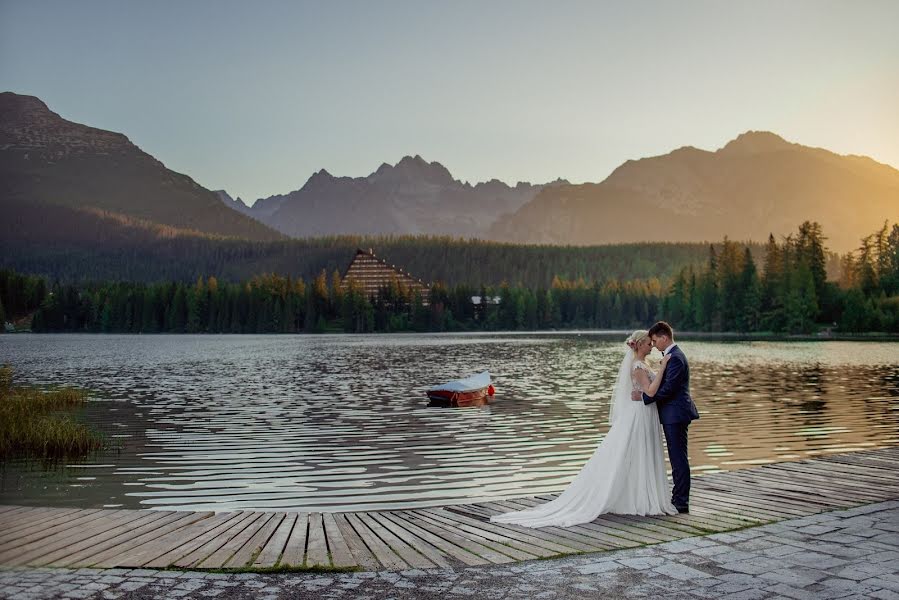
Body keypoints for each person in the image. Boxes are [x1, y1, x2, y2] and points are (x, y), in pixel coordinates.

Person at [490, 330, 677, 528]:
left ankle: (639, 494)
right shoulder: (638, 366)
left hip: (644, 412)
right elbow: (650, 390)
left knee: (641, 454)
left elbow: (644, 391)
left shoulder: (643, 364)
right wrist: (663, 368)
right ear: (639, 345)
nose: (651, 346)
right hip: (639, 414)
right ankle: (636, 497)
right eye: (649, 343)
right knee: (635, 452)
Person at [631, 321, 700, 513]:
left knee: (678, 459)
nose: (654, 345)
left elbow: (668, 389)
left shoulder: (675, 357)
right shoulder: (671, 356)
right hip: (673, 414)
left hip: (675, 414)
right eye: (650, 342)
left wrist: (645, 397)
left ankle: (681, 501)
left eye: (655, 340)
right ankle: (678, 498)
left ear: (664, 337)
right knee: (677, 457)